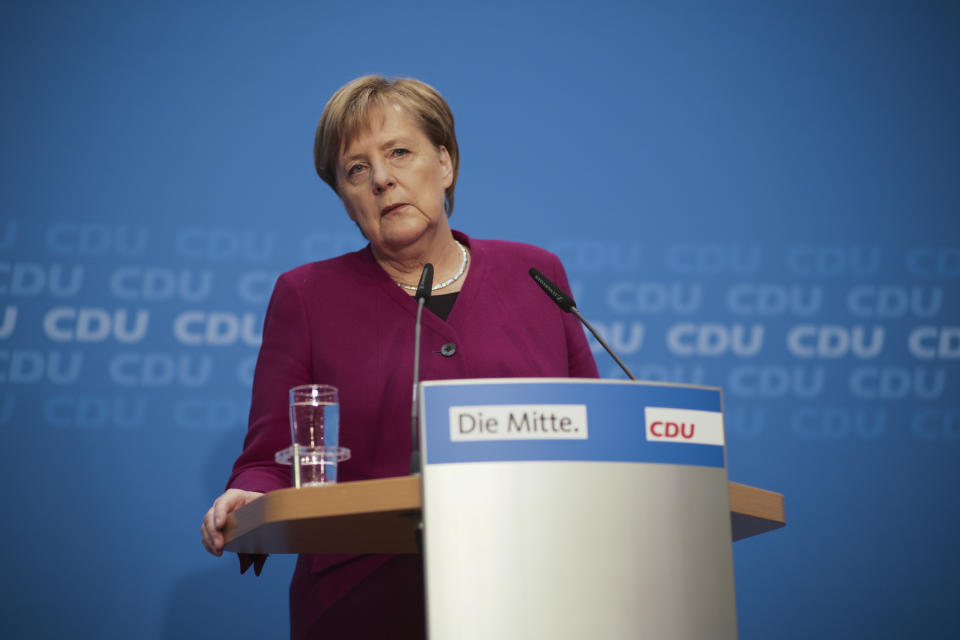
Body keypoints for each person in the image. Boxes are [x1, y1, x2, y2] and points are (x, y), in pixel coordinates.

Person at [201, 75, 598, 639]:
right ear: (345, 199)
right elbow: (272, 456)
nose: (383, 179)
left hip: (532, 593)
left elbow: (597, 438)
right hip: (365, 603)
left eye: (399, 153)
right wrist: (252, 493)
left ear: (445, 164)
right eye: (356, 170)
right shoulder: (307, 297)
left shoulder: (537, 275)